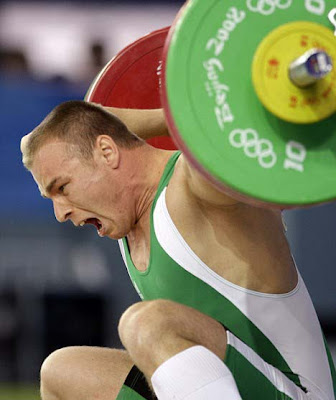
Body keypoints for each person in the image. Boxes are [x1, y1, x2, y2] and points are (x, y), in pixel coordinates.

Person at [20, 100, 335, 400]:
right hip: (231, 385)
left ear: (106, 152)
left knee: (145, 324)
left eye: (62, 188)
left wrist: (148, 116)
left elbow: (223, 128)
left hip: (292, 391)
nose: (60, 213)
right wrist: (96, 118)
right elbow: (33, 142)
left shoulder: (194, 186)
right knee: (62, 372)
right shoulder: (124, 218)